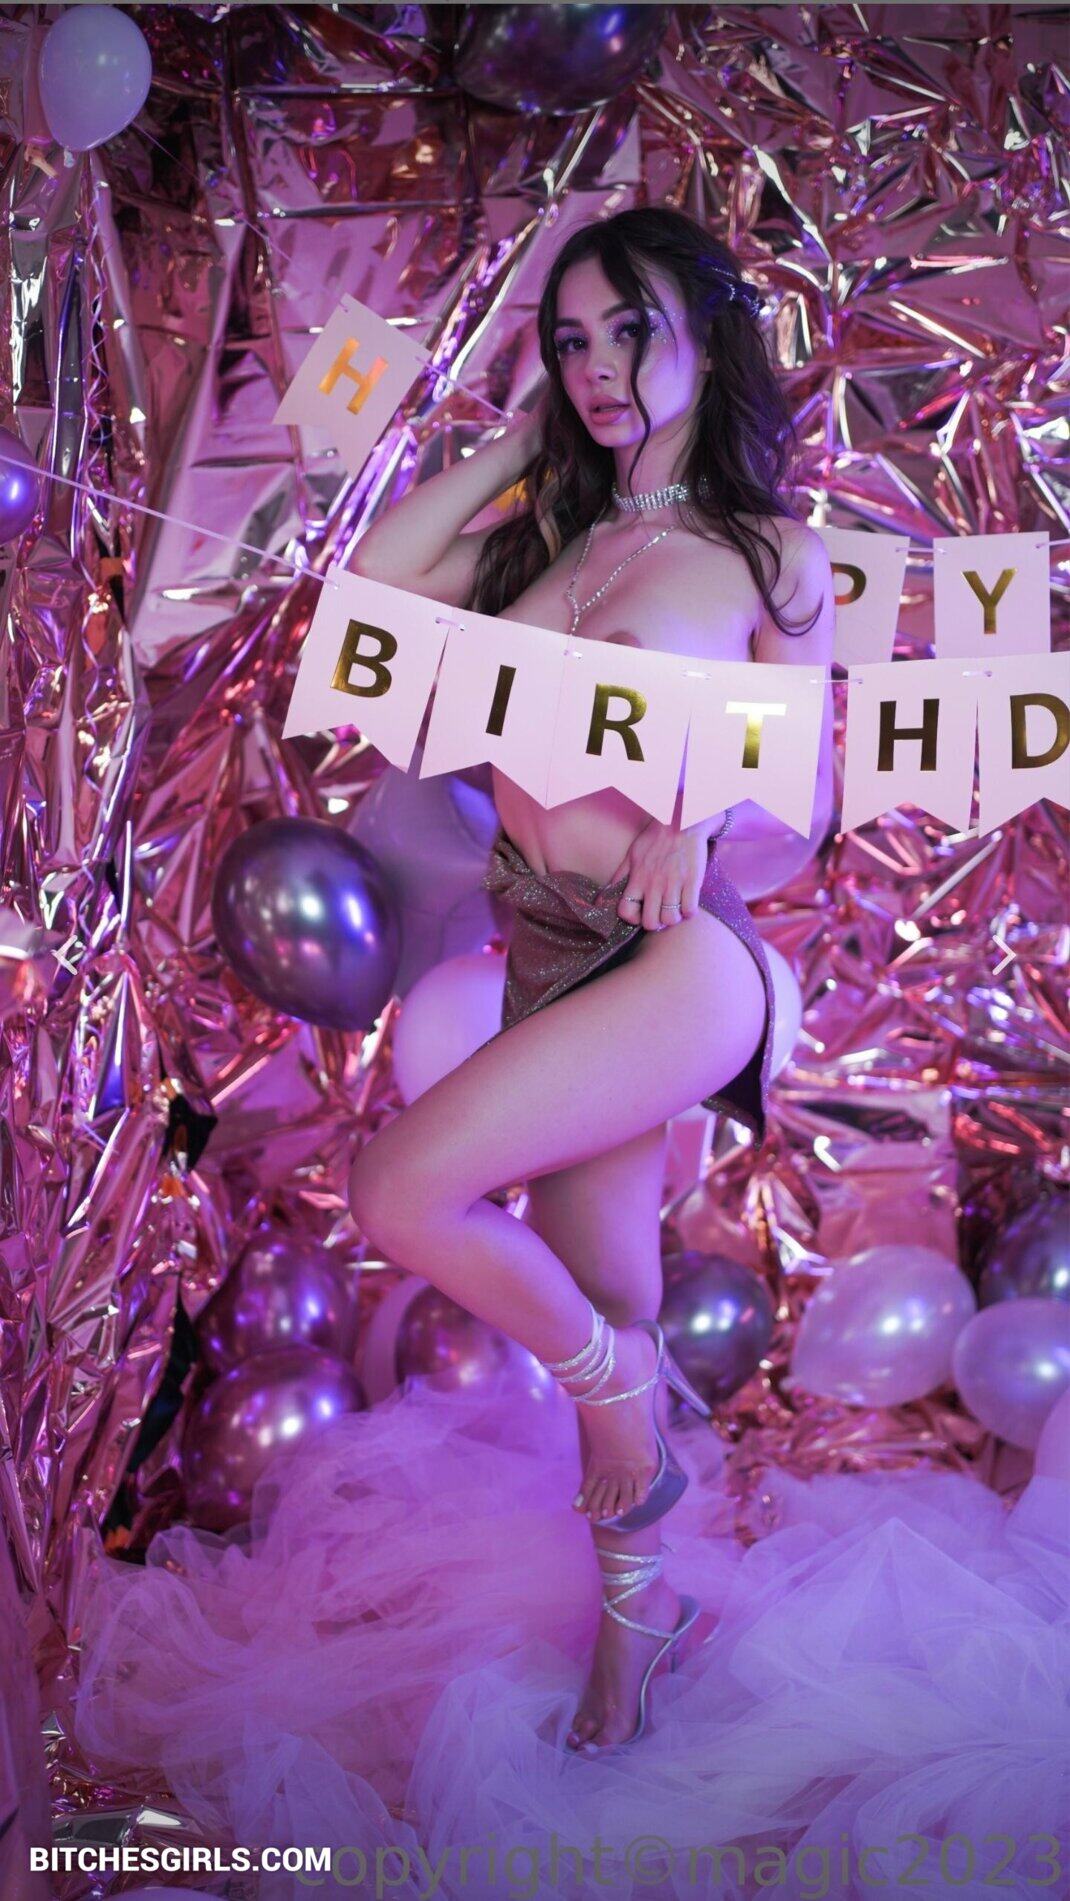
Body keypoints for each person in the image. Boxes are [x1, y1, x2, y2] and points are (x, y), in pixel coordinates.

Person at [346, 206, 836, 1754]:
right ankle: (641, 1624)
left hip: (676, 959)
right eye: (571, 340)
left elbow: (808, 781)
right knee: (612, 1295)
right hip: (549, 947)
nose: (598, 365)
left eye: (630, 329)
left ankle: (616, 1391)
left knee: (397, 1190)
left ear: (705, 334)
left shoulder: (766, 550)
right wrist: (517, 439)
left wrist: (702, 815)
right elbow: (377, 576)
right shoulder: (543, 534)